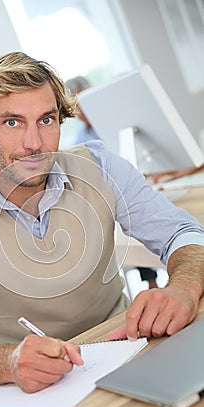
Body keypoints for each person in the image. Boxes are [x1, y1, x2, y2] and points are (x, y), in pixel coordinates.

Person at [0, 52, 204, 396]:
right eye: (12, 122)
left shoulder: (100, 165)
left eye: (46, 120)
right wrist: (8, 362)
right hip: (24, 387)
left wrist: (183, 286)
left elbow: (182, 232)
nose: (34, 143)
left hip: (126, 350)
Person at [66, 75, 159, 289]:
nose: (79, 111)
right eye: (74, 106)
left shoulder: (115, 125)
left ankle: (152, 282)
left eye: (81, 103)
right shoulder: (80, 137)